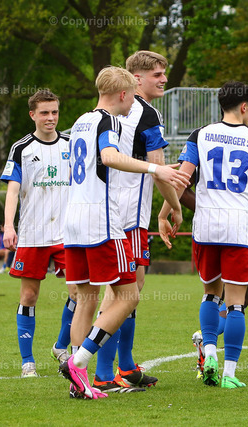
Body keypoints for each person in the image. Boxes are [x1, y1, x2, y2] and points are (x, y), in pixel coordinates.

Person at [58, 66, 188, 400]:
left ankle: (78, 383)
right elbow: (110, 157)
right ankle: (79, 362)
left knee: (86, 298)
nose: (133, 103)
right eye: (131, 95)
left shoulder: (80, 121)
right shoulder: (110, 121)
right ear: (122, 94)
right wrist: (156, 168)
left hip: (73, 218)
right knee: (128, 296)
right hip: (101, 221)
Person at [159, 81, 248, 389]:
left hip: (206, 227)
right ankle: (229, 373)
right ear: (244, 106)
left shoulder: (200, 134)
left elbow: (180, 179)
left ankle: (210, 353)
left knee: (211, 295)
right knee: (237, 304)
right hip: (238, 228)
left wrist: (165, 213)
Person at [92, 51, 181, 394]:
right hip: (127, 216)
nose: (164, 79)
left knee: (128, 289)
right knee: (122, 293)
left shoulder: (102, 114)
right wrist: (173, 208)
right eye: (157, 74)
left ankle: (125, 366)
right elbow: (160, 170)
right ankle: (102, 372)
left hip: (111, 212)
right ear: (136, 78)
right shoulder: (146, 113)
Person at [0, 89, 77, 377]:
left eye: (54, 112)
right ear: (32, 114)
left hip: (67, 234)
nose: (50, 118)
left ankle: (61, 347)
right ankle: (27, 361)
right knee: (29, 296)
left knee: (78, 293)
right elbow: (13, 190)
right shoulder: (21, 148)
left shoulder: (71, 144)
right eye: (44, 112)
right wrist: (9, 225)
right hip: (33, 234)